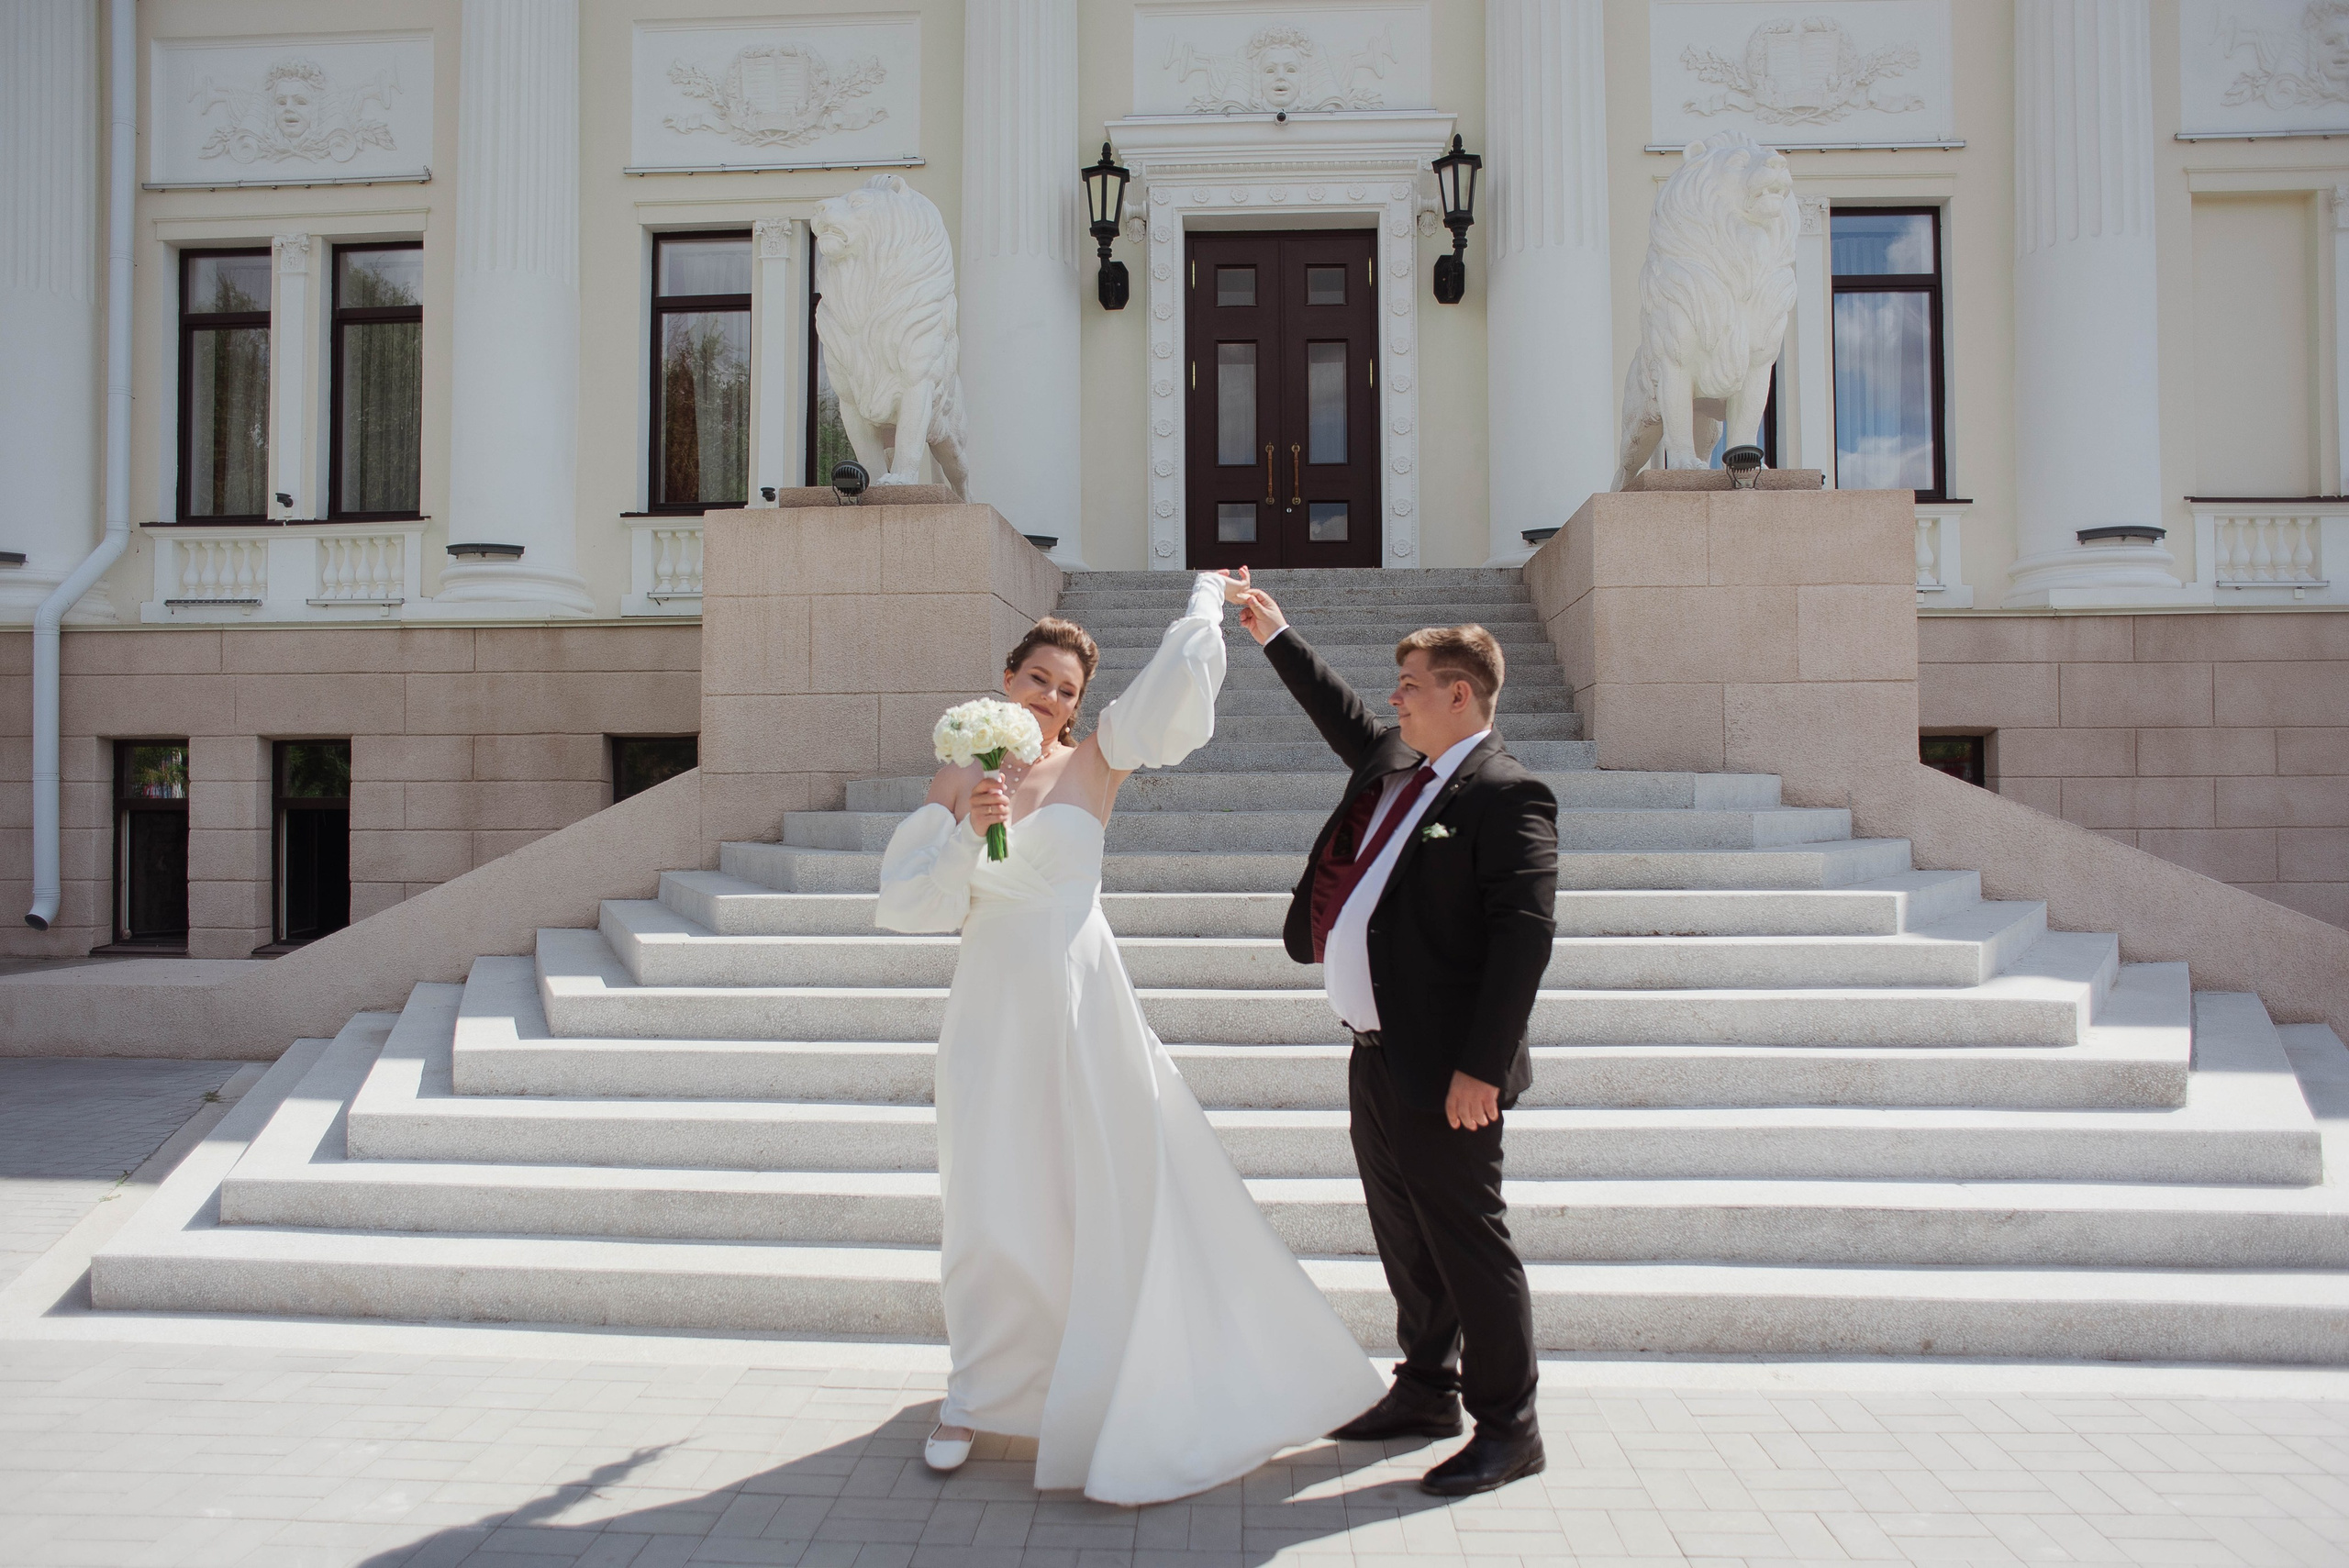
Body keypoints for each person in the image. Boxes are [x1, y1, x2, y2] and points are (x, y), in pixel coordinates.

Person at [874, 570, 1385, 1507]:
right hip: (992, 1004)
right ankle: (976, 1394)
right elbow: (910, 905)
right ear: (1007, 678)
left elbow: (1167, 698)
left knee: (1100, 1193)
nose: (1050, 697)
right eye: (1038, 678)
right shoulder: (956, 775)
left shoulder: (1097, 759)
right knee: (991, 1196)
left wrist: (1202, 604)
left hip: (1081, 999)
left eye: (1066, 688)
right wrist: (967, 832)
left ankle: (1104, 1381)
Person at [1234, 579, 1558, 1498]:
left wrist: (1480, 1068)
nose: (1394, 698)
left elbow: (1524, 937)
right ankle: (1425, 1389)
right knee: (1405, 1233)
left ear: (1458, 692)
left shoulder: (1508, 793)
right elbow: (1338, 709)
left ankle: (1511, 1427)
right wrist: (1275, 633)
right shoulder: (1394, 762)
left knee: (1468, 1243)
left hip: (1450, 1067)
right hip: (1375, 1053)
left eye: (1409, 684)